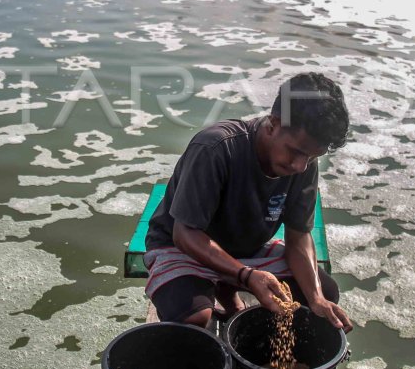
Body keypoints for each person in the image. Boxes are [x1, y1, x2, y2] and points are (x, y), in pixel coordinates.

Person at [144, 72, 353, 331]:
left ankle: (226, 285)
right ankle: (221, 285)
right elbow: (184, 234)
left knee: (324, 296)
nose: (299, 166)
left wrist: (316, 297)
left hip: (246, 251)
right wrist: (246, 275)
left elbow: (299, 236)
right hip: (182, 248)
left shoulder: (303, 165)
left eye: (311, 157)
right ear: (273, 124)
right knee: (194, 319)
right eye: (296, 152)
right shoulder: (216, 148)